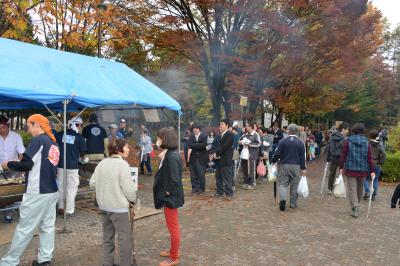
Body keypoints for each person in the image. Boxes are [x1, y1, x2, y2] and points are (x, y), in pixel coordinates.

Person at [0, 114, 60, 266]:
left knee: (25, 228)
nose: (28, 129)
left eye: (29, 125)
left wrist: (8, 164)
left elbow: (26, 164)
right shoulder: (53, 142)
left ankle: (9, 262)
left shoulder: (38, 140)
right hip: (52, 190)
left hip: (37, 192)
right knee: (47, 226)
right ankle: (44, 259)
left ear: (37, 125)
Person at [90, 139, 137, 266]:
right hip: (119, 209)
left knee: (107, 238)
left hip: (104, 207)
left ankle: (107, 263)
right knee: (124, 239)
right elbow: (129, 190)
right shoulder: (123, 165)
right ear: (118, 150)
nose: (128, 149)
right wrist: (133, 200)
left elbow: (92, 183)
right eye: (126, 147)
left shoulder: (102, 163)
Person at [153, 128, 184, 266]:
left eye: (159, 138)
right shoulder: (170, 154)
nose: (157, 141)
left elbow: (174, 180)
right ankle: (173, 250)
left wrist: (166, 193)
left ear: (165, 139)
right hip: (171, 197)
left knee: (173, 227)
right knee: (172, 226)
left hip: (171, 198)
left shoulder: (171, 157)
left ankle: (174, 257)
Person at [339, 123, 375, 218]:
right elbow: (370, 158)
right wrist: (372, 170)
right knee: (360, 188)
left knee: (352, 189)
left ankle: (355, 207)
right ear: (363, 131)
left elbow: (343, 155)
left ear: (353, 131)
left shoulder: (348, 141)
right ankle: (356, 205)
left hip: (351, 168)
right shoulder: (367, 143)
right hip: (363, 169)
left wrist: (341, 167)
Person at [56, 116, 86, 217]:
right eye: (80, 126)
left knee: (61, 187)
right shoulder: (79, 138)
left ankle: (61, 207)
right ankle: (69, 210)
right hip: (72, 167)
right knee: (71, 188)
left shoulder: (60, 135)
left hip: (60, 166)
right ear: (78, 125)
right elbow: (82, 153)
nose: (81, 128)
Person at [271, 124, 306, 211]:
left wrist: (273, 161)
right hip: (296, 166)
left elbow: (277, 153)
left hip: (284, 165)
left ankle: (283, 199)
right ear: (297, 131)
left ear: (288, 131)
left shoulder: (283, 141)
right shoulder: (301, 143)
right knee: (295, 185)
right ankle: (293, 203)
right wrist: (303, 168)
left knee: (282, 183)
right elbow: (303, 157)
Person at [213, 119, 235, 200]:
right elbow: (217, 146)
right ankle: (219, 192)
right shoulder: (220, 135)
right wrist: (215, 153)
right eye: (220, 124)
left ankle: (229, 193)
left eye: (222, 124)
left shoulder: (230, 134)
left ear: (227, 125)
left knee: (227, 177)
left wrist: (217, 153)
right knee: (218, 176)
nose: (220, 126)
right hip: (219, 159)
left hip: (226, 159)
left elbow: (225, 146)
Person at [326, 122, 349, 193]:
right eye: (347, 129)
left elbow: (328, 147)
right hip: (341, 158)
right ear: (343, 130)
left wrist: (328, 158)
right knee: (341, 173)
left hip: (333, 157)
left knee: (332, 173)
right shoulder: (345, 139)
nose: (348, 131)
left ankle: (330, 188)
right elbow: (345, 150)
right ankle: (339, 188)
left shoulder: (332, 136)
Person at [363, 130, 386, 201]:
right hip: (377, 164)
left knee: (366, 179)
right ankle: (373, 195)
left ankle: (367, 191)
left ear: (370, 135)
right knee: (375, 180)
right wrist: (380, 162)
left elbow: (363, 154)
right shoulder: (380, 144)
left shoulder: (367, 144)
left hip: (368, 163)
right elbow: (384, 155)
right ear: (377, 136)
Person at [239, 122, 261, 190]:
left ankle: (252, 183)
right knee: (245, 169)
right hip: (244, 155)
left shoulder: (255, 134)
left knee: (252, 170)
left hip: (252, 155)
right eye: (246, 126)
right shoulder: (245, 134)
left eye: (247, 126)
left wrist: (250, 144)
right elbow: (239, 140)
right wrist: (240, 142)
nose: (246, 127)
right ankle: (246, 182)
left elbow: (259, 144)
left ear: (251, 127)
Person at [188, 125, 208, 195]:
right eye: (194, 129)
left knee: (201, 174)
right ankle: (194, 188)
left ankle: (202, 189)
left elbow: (203, 145)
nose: (195, 130)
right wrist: (198, 145)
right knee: (193, 174)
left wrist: (195, 145)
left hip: (202, 158)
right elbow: (189, 145)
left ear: (199, 129)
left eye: (196, 129)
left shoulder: (204, 136)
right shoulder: (191, 136)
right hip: (193, 158)